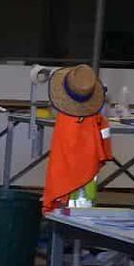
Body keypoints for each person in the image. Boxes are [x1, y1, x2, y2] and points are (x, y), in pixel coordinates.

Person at [41, 64, 112, 210]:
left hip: (66, 169)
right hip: (88, 168)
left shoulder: (62, 114)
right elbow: (104, 143)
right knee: (83, 205)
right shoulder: (97, 118)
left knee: (69, 205)